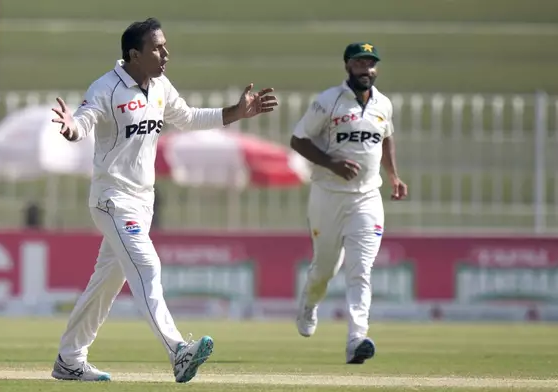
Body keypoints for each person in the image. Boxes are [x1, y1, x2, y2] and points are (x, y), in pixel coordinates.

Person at [49, 17, 278, 383]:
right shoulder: (106, 88)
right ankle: (178, 350)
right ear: (134, 54)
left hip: (142, 201)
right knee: (148, 265)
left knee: (105, 285)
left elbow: (187, 117)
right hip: (112, 199)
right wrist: (70, 127)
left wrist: (237, 112)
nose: (166, 53)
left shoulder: (159, 86)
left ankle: (69, 360)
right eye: (158, 48)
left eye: (165, 46)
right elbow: (84, 121)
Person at [290, 42, 407, 364]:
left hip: (367, 198)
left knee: (361, 268)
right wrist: (332, 164)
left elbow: (386, 138)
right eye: (359, 63)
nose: (365, 69)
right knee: (326, 269)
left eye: (370, 64)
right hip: (328, 196)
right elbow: (297, 140)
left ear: (376, 69)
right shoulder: (329, 101)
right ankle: (309, 304)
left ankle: (357, 338)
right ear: (347, 66)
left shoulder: (384, 104)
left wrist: (394, 176)